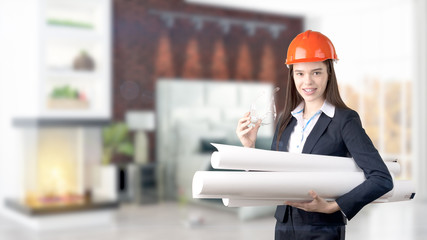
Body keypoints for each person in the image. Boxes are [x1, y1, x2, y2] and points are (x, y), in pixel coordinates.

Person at [236, 30, 394, 240]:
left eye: (316, 72)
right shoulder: (285, 119)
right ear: (292, 75)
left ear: (329, 73)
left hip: (322, 230)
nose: (307, 81)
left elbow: (381, 179)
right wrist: (250, 147)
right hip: (284, 226)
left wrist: (332, 207)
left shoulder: (344, 120)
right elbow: (270, 178)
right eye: (300, 73)